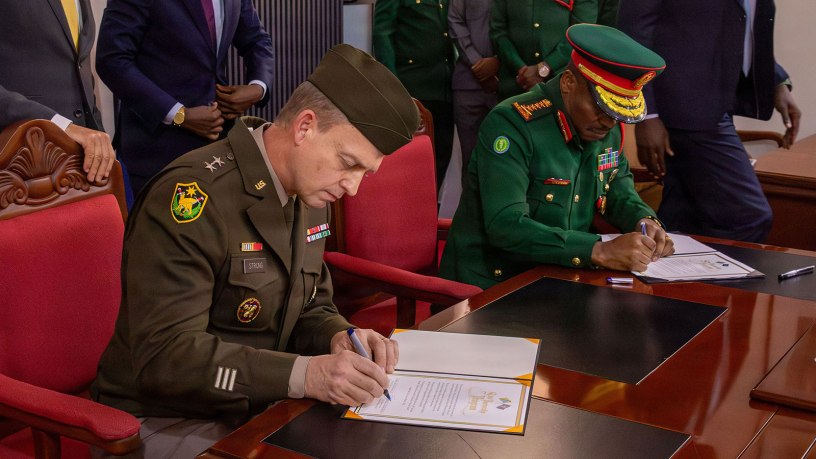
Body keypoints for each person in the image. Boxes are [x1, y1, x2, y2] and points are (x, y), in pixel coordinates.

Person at [91, 44, 419, 457]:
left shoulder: (307, 190)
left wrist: (340, 336)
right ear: (304, 127)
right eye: (348, 163)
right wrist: (306, 375)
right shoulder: (193, 197)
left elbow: (311, 304)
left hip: (261, 405)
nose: (352, 188)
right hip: (164, 418)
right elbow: (165, 358)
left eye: (364, 174)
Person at [440, 24, 674, 290]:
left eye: (617, 113)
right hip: (494, 285)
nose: (608, 122)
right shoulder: (512, 124)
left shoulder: (605, 130)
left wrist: (644, 220)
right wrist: (598, 250)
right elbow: (506, 226)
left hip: (563, 279)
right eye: (602, 107)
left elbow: (618, 190)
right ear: (568, 83)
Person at [617, 1, 801, 242]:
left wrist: (776, 81)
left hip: (717, 102)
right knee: (748, 215)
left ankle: (672, 275)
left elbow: (742, 22)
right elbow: (634, 31)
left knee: (683, 219)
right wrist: (647, 114)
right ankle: (724, 278)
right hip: (681, 106)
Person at [96, 0, 275, 197]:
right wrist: (177, 114)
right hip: (159, 152)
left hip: (220, 149)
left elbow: (257, 39)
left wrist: (258, 87)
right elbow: (112, 60)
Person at [0, 0, 114, 183]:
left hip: (87, 167)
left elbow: (75, 64)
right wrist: (60, 125)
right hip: (20, 172)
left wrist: (96, 131)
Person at [373, 0, 455, 190]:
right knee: (408, 164)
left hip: (443, 88)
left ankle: (429, 212)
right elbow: (382, 33)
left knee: (440, 159)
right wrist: (393, 86)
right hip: (412, 88)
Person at [491, 0, 598, 101]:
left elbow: (582, 34)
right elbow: (498, 31)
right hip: (514, 83)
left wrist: (544, 68)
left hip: (559, 85)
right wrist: (520, 68)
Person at [448, 0, 499, 178]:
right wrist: (478, 65)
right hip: (468, 85)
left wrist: (498, 62)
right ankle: (469, 206)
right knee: (470, 164)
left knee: (504, 162)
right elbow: (454, 20)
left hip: (508, 85)